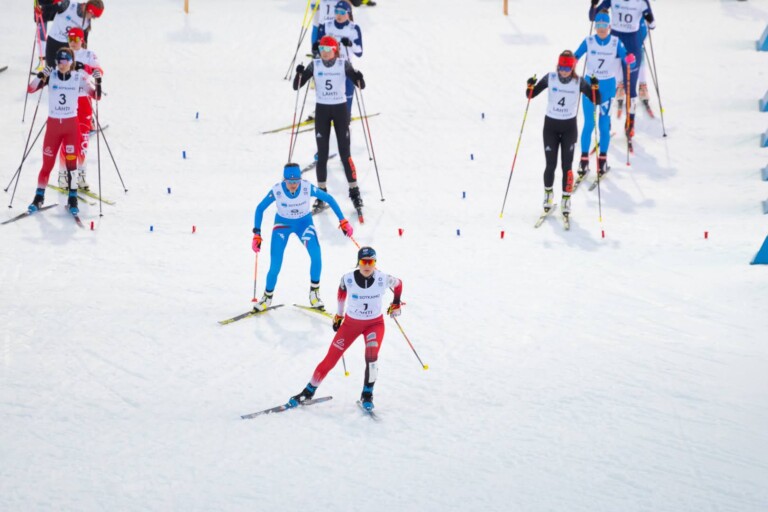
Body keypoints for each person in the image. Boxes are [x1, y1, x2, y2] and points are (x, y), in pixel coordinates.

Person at [288, 246, 403, 411]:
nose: (367, 265)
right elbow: (341, 295)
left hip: (374, 325)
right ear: (359, 262)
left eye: (371, 261)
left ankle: (367, 395)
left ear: (375, 262)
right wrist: (339, 316)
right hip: (351, 325)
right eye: (364, 261)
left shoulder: (382, 278)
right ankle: (308, 391)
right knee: (331, 358)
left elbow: (399, 285)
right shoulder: (347, 279)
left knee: (372, 356)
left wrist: (396, 303)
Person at [251, 163, 354, 311]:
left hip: (304, 224)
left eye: (296, 181)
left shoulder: (306, 187)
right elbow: (260, 208)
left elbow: (329, 199)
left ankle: (314, 294)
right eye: (290, 181)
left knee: (316, 256)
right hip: (282, 226)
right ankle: (267, 297)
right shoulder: (277, 190)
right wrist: (256, 234)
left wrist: (343, 220)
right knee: (275, 264)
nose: (293, 185)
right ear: (284, 180)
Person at [293, 36, 366, 213]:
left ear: (335, 50)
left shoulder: (343, 64)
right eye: (322, 50)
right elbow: (297, 86)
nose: (325, 53)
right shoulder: (315, 65)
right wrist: (299, 73)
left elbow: (360, 85)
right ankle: (321, 194)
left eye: (328, 50)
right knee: (322, 155)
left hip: (340, 111)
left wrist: (359, 77)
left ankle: (354, 191)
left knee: (344, 153)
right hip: (322, 111)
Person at [27, 47, 101, 215]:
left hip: (70, 127)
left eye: (66, 60)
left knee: (71, 165)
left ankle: (72, 198)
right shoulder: (51, 76)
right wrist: (40, 75)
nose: (62, 64)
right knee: (47, 164)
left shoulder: (78, 77)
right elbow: (30, 89)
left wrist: (98, 81)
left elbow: (96, 96)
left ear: (71, 62)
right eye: (59, 60)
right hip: (53, 126)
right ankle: (39, 198)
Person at [526, 51, 600, 217]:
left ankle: (566, 199)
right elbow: (530, 95)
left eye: (567, 67)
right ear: (557, 66)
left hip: (569, 128)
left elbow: (597, 99)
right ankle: (548, 196)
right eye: (561, 67)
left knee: (567, 166)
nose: (564, 71)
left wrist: (595, 87)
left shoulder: (579, 82)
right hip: (550, 127)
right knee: (550, 165)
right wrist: (530, 85)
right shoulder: (550, 78)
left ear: (572, 67)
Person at [574, 10, 632, 177]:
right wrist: (571, 62)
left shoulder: (615, 42)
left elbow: (625, 55)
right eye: (598, 25)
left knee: (604, 124)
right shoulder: (589, 41)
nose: (601, 28)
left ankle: (603, 160)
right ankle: (584, 161)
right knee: (588, 125)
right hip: (589, 87)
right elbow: (576, 55)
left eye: (604, 25)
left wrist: (629, 59)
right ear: (595, 26)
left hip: (607, 88)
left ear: (609, 26)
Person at [589, 0, 654, 141]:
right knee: (608, 83)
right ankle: (607, 123)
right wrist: (593, 5)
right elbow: (593, 17)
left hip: (632, 45)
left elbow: (652, 25)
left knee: (630, 89)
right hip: (614, 44)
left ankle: (630, 123)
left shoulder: (641, 2)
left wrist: (649, 18)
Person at [58, 26, 103, 191]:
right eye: (70, 39)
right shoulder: (63, 54)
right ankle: (63, 175)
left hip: (84, 99)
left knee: (83, 139)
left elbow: (99, 71)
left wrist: (84, 67)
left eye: (76, 39)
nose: (73, 43)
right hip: (68, 99)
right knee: (67, 139)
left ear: (82, 40)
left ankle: (81, 175)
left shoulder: (89, 55)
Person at [317, 1, 363, 112]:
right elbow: (318, 47)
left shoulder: (354, 28)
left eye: (342, 12)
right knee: (327, 93)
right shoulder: (326, 25)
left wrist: (350, 44)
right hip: (329, 66)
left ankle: (346, 117)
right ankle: (322, 113)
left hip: (345, 66)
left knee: (347, 93)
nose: (339, 15)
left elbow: (359, 52)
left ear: (348, 13)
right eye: (336, 11)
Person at [39, 0, 104, 68]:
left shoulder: (86, 23)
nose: (92, 18)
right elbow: (46, 6)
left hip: (69, 46)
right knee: (50, 69)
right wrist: (41, 12)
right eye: (93, 16)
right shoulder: (68, 5)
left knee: (65, 71)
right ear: (89, 10)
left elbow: (83, 42)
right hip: (53, 41)